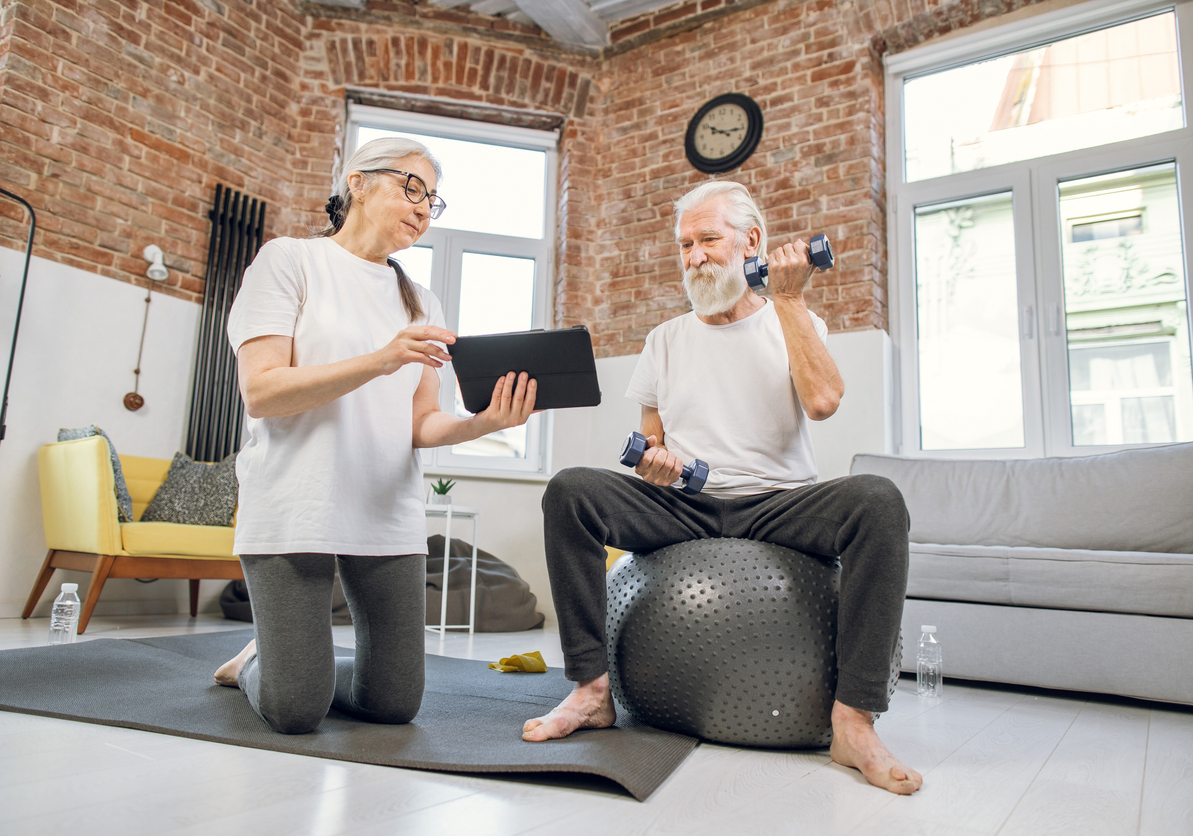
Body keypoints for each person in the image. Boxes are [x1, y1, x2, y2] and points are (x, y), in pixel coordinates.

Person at [522, 180, 922, 795]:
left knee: (878, 499)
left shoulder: (796, 319)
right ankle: (591, 691)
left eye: (709, 239)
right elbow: (649, 445)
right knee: (572, 489)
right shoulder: (665, 339)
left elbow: (823, 402)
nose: (695, 256)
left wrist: (786, 299)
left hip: (779, 503)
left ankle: (853, 720)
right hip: (685, 504)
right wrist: (657, 466)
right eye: (685, 244)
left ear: (751, 242)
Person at [212, 137, 537, 734]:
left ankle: (295, 662)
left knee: (393, 703)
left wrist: (483, 423)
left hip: (384, 508)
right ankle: (264, 658)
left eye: (432, 200)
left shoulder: (421, 300)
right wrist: (379, 359)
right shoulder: (289, 261)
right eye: (410, 187)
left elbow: (418, 425)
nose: (421, 207)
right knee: (295, 710)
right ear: (356, 182)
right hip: (294, 502)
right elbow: (262, 391)